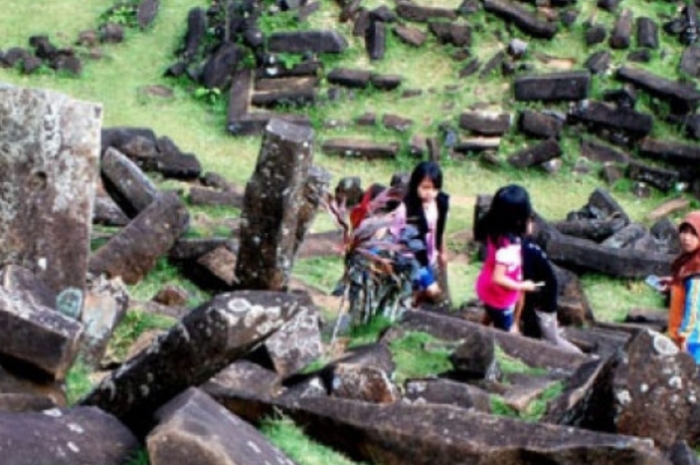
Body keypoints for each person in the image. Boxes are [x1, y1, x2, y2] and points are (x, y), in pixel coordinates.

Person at [475, 184, 538, 331]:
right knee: (506, 329)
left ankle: (479, 330)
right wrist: (522, 286)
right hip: (500, 296)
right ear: (518, 220)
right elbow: (499, 278)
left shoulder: (495, 231)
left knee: (490, 312)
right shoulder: (508, 247)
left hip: (487, 288)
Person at [516, 220, 583, 353]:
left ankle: (580, 357)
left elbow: (528, 281)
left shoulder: (526, 249)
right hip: (540, 292)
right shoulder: (527, 245)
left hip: (541, 296)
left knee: (550, 339)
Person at [391, 161, 450, 304]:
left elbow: (439, 229)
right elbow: (400, 240)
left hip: (430, 254)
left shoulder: (440, 202)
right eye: (425, 187)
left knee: (424, 293)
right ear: (415, 184)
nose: (430, 192)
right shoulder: (406, 209)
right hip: (411, 257)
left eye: (435, 188)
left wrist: (442, 251)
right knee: (431, 290)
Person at [666, 211, 700, 363]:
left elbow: (693, 305)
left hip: (693, 340)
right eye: (684, 232)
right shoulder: (688, 261)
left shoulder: (696, 269)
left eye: (694, 234)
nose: (687, 238)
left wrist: (684, 337)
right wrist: (671, 284)